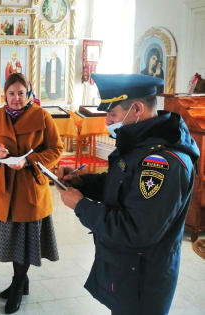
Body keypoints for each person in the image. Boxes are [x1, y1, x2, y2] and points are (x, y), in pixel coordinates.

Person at [56, 73, 199, 315]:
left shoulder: (161, 162)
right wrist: (81, 182)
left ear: (137, 109)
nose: (106, 122)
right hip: (126, 270)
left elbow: (136, 230)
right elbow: (120, 185)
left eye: (112, 115)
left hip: (143, 278)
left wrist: (82, 206)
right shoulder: (139, 146)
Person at [0, 73, 63, 314]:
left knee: (24, 242)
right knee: (12, 239)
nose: (16, 99)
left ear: (29, 94)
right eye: (12, 94)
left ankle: (17, 284)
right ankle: (22, 281)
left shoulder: (42, 116)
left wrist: (29, 162)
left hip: (29, 187)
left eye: (21, 93)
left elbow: (56, 149)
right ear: (4, 95)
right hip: (4, 189)